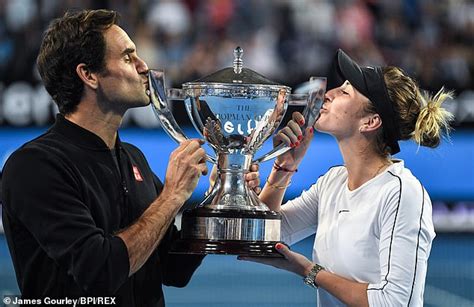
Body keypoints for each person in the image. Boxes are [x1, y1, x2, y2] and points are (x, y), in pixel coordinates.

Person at [0, 9, 260, 306]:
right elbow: (100, 272)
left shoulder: (132, 158)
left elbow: (175, 269)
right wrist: (172, 195)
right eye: (127, 57)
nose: (143, 66)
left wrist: (218, 193)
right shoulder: (34, 166)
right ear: (88, 75)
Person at [240, 49, 454, 306]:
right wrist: (284, 167)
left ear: (370, 121)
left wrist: (309, 271)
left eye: (344, 92)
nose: (328, 94)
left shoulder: (401, 193)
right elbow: (257, 239)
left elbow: (393, 302)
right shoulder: (333, 182)